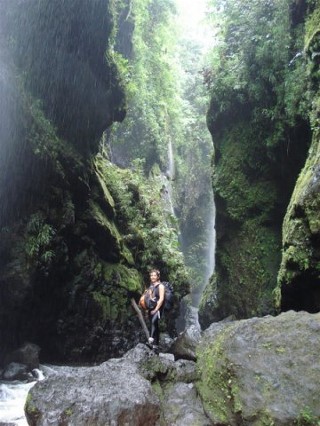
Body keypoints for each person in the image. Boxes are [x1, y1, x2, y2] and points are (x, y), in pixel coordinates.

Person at [147, 269, 165, 353]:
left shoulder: (161, 286)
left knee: (154, 322)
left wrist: (156, 309)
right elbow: (150, 297)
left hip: (158, 308)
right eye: (151, 275)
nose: (152, 277)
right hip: (151, 307)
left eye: (154, 275)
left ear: (158, 276)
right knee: (155, 325)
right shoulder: (151, 286)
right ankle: (156, 346)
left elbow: (161, 299)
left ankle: (150, 341)